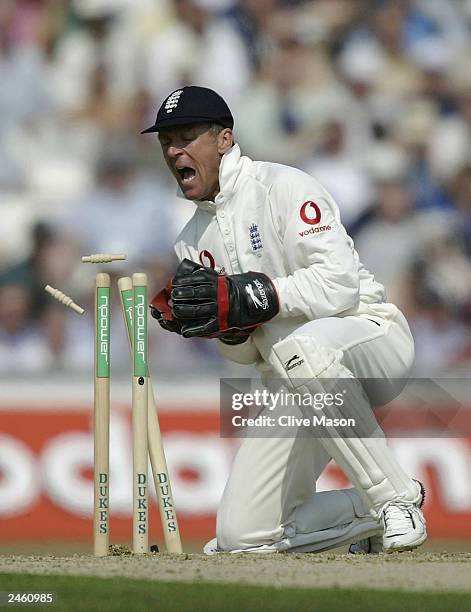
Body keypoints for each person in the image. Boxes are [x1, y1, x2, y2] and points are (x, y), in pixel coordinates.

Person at [143, 86, 426, 554]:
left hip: (369, 338)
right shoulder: (191, 241)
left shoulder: (282, 186)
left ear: (225, 139)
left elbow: (340, 284)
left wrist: (256, 294)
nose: (175, 151)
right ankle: (369, 512)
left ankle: (395, 500)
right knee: (241, 539)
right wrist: (223, 328)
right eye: (167, 141)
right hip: (297, 381)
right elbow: (244, 354)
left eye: (187, 136)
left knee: (305, 350)